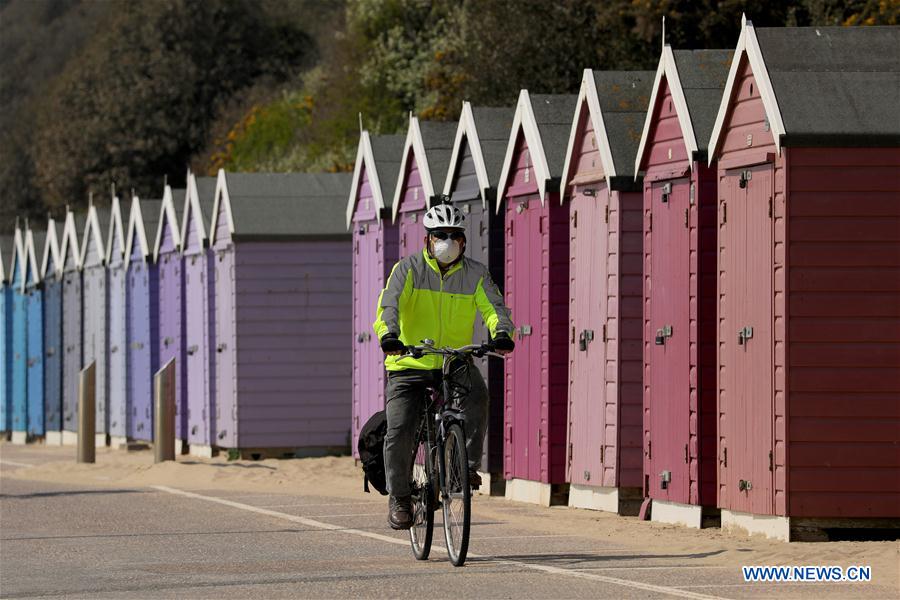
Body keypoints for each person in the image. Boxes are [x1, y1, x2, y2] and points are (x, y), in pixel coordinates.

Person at [372, 202, 515, 530]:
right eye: (440, 235)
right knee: (400, 429)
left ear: (463, 240)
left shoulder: (475, 274)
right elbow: (388, 306)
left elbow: (494, 307)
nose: (447, 242)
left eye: (454, 236)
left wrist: (502, 332)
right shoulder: (407, 270)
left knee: (478, 397)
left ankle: (463, 470)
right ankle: (400, 498)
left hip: (454, 360)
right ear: (428, 239)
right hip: (409, 361)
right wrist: (389, 335)